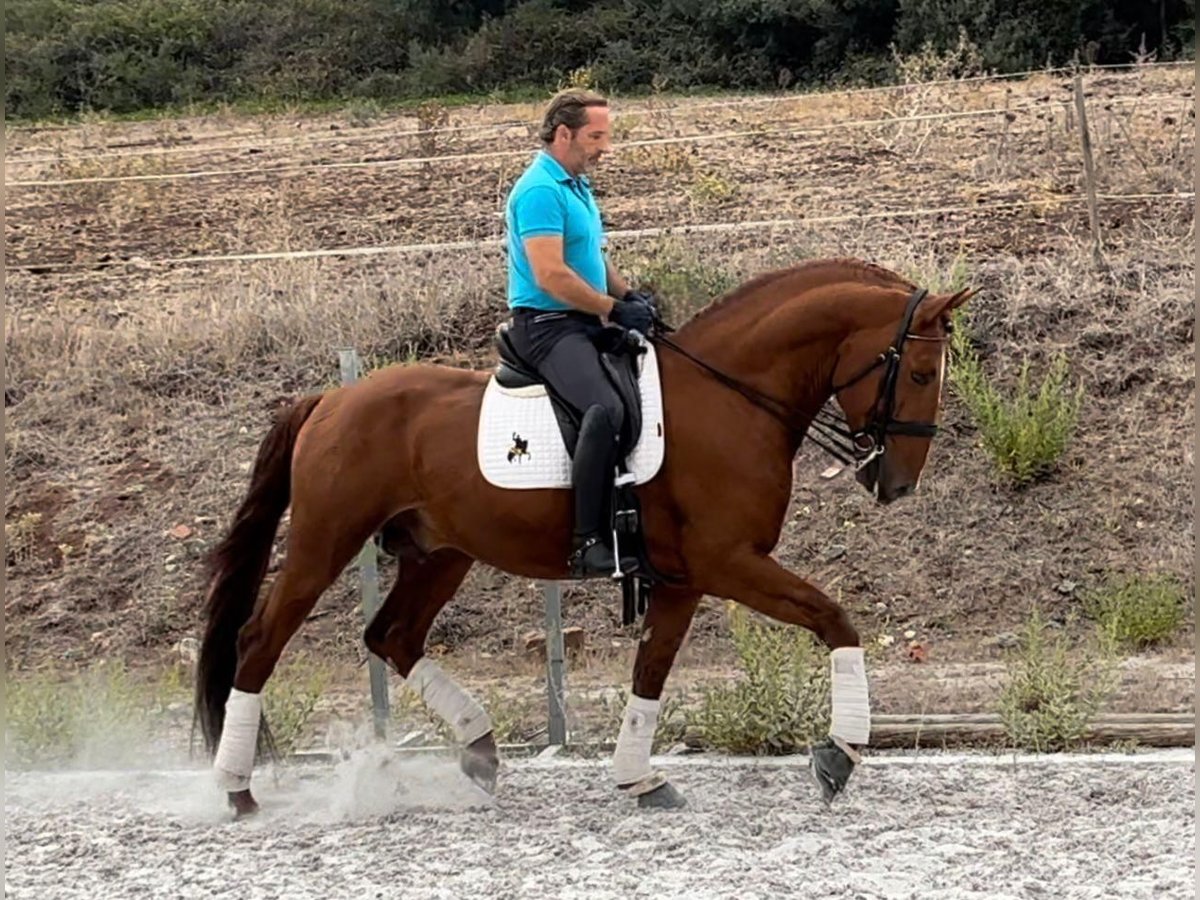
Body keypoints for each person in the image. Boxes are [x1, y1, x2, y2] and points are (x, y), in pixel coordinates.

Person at [502, 88, 656, 578]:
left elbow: (589, 258)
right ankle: (588, 540)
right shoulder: (539, 191)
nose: (604, 147)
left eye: (606, 136)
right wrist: (612, 308)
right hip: (547, 327)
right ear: (563, 133)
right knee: (604, 409)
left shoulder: (574, 185)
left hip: (583, 319)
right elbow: (551, 275)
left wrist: (630, 297)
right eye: (596, 136)